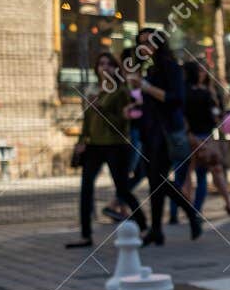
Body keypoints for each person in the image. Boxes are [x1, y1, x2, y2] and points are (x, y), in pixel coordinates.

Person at [129, 30, 201, 244]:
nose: (144, 48)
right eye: (140, 44)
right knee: (155, 181)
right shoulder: (150, 69)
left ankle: (186, 215)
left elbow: (176, 98)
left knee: (157, 179)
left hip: (166, 133)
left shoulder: (171, 68)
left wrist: (146, 88)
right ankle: (158, 229)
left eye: (148, 43)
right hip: (149, 133)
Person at [68, 51, 146, 248]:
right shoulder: (94, 89)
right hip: (94, 145)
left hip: (115, 145)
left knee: (122, 188)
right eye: (101, 64)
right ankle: (86, 235)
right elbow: (87, 119)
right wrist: (81, 140)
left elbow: (123, 123)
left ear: (115, 68)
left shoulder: (121, 91)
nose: (104, 67)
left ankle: (144, 226)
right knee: (86, 189)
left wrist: (100, 109)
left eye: (109, 64)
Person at [176, 60, 230, 218]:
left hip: (202, 136)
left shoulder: (207, 91)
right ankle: (193, 210)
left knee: (206, 172)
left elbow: (217, 115)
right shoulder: (197, 92)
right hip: (197, 137)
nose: (202, 74)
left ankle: (196, 210)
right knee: (194, 174)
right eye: (200, 71)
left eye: (204, 71)